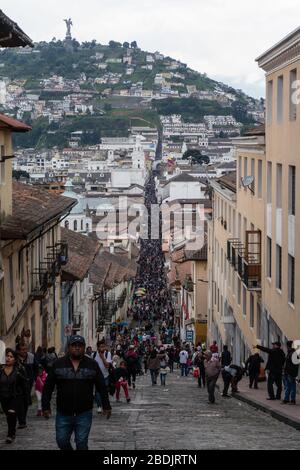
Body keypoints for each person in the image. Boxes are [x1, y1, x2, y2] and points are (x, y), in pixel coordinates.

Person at [42, 335, 111, 450]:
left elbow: (101, 386)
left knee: (81, 443)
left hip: (84, 412)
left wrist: (106, 405)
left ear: (84, 348)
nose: (77, 348)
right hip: (63, 412)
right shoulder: (58, 364)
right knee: (62, 441)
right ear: (69, 347)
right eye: (74, 345)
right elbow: (48, 387)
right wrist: (45, 406)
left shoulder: (92, 365)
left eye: (80, 346)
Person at [0, 349, 28, 444]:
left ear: (15, 359)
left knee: (11, 413)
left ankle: (10, 434)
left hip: (16, 396)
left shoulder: (19, 370)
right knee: (9, 416)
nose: (8, 358)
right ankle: (12, 432)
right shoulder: (1, 371)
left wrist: (25, 399)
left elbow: (25, 385)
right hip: (3, 397)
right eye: (7, 356)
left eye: (11, 356)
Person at [16, 342, 38, 428]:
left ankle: (22, 420)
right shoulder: (15, 358)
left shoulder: (31, 357)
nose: (25, 351)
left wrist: (33, 378)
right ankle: (21, 420)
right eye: (22, 350)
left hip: (28, 383)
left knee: (25, 401)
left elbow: (36, 368)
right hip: (17, 384)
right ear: (18, 351)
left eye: (26, 349)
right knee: (18, 401)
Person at [93, 341, 113, 414]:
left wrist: (102, 357)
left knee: (104, 392)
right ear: (98, 347)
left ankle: (105, 407)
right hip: (97, 377)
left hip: (105, 376)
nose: (103, 348)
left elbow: (107, 366)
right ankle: (99, 406)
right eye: (101, 346)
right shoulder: (94, 354)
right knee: (98, 393)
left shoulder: (108, 354)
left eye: (104, 346)